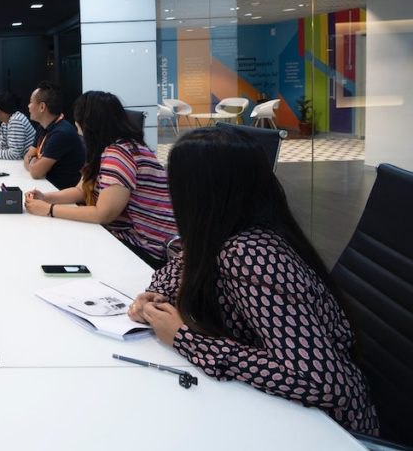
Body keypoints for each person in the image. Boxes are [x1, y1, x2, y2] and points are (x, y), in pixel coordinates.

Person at [127, 127, 378, 435]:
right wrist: (153, 298)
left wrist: (185, 339)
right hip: (270, 408)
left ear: (200, 194)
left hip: (323, 430)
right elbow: (178, 270)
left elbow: (322, 382)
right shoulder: (221, 231)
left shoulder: (250, 254)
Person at [24, 91, 177, 268]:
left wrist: (49, 210)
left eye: (78, 119)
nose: (75, 125)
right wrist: (46, 198)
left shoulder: (118, 154)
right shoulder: (107, 149)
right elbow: (81, 190)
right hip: (128, 236)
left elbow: (103, 214)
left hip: (146, 246)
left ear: (88, 124)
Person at [22, 81, 84, 189]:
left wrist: (33, 161)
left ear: (42, 107)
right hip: (47, 186)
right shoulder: (43, 127)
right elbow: (27, 156)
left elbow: (36, 172)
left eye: (31, 102)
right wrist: (33, 161)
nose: (28, 106)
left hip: (62, 193)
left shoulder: (61, 133)